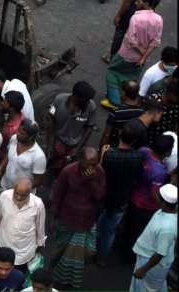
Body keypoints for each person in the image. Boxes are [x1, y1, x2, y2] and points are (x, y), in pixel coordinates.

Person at [49, 148, 106, 288]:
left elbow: (99, 196)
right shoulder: (68, 171)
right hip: (67, 219)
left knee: (84, 253)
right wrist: (52, 218)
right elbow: (57, 196)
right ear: (81, 161)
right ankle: (52, 278)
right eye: (88, 164)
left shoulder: (99, 172)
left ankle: (70, 281)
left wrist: (91, 181)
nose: (91, 167)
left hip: (86, 221)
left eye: (94, 164)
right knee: (59, 251)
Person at [96, 122, 143, 266]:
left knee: (96, 224)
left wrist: (103, 154)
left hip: (105, 195)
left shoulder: (109, 153)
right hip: (122, 197)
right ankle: (102, 257)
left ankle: (89, 250)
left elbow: (100, 173)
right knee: (111, 229)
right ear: (134, 140)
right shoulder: (138, 156)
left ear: (120, 134)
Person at [103, 0, 162, 107]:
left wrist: (141, 52)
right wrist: (144, 57)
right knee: (131, 78)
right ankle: (127, 101)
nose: (135, 3)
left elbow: (131, 39)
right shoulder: (159, 19)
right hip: (141, 60)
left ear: (145, 4)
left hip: (126, 54)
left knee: (112, 71)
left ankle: (114, 101)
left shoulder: (136, 17)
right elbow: (156, 41)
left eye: (138, 1)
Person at [123, 134, 173, 256]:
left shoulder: (143, 151)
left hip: (133, 197)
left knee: (128, 227)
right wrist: (165, 208)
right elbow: (154, 194)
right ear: (167, 152)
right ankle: (130, 256)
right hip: (145, 206)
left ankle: (123, 250)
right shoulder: (159, 172)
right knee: (137, 233)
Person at [0, 178, 47, 275]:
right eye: (16, 193)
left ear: (29, 193)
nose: (18, 197)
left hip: (23, 251)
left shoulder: (38, 204)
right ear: (14, 189)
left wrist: (40, 245)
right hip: (3, 244)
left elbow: (40, 228)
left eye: (23, 195)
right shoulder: (4, 196)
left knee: (17, 275)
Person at [130, 184, 177, 292]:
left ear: (164, 203)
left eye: (158, 195)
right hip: (148, 256)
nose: (155, 195)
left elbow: (160, 253)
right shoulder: (168, 210)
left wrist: (143, 269)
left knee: (149, 289)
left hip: (153, 262)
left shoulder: (167, 228)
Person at [45, 81, 97, 172]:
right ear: (76, 96)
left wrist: (78, 148)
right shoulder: (58, 100)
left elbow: (89, 128)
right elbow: (51, 120)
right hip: (58, 140)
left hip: (75, 145)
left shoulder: (91, 107)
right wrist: (49, 144)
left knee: (71, 171)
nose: (88, 102)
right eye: (86, 99)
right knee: (51, 165)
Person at [0, 119, 46, 193]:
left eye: (22, 133)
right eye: (18, 130)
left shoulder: (39, 157)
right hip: (4, 187)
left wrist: (21, 188)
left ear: (31, 137)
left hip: (21, 195)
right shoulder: (15, 138)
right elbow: (9, 153)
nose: (17, 133)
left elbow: (38, 181)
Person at [98, 80, 143, 150]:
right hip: (130, 149)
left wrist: (101, 151)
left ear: (124, 93)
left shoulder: (116, 112)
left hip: (113, 147)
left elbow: (107, 134)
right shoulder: (141, 111)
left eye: (121, 91)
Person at [0, 91, 26, 168]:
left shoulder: (15, 130)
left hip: (3, 159)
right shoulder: (19, 115)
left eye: (5, 103)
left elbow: (13, 150)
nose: (2, 103)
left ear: (12, 109)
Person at [146, 82, 178, 146]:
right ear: (171, 95)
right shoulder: (153, 99)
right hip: (152, 138)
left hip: (169, 139)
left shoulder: (175, 103)